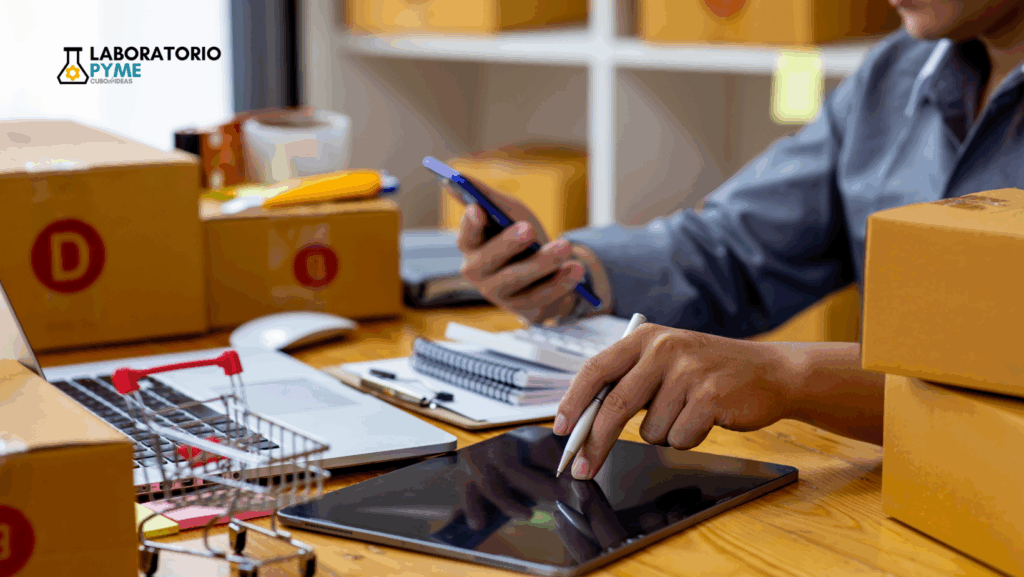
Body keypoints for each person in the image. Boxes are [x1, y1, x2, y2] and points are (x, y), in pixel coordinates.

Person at [454, 0, 1024, 479]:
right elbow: (736, 246)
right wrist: (567, 271)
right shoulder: (893, 72)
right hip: (898, 491)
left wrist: (790, 375)